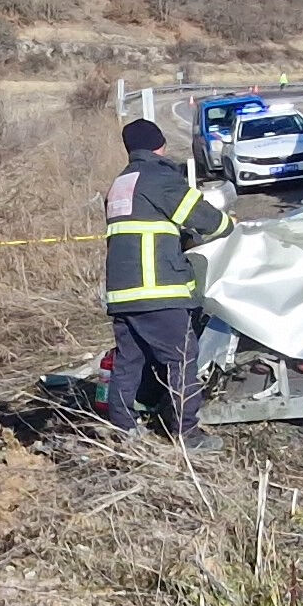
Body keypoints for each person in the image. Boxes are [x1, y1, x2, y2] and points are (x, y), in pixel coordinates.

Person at [100, 115, 231, 448]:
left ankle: (122, 429)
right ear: (160, 145)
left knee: (129, 361)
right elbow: (205, 219)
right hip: (157, 290)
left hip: (123, 293)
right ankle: (187, 434)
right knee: (182, 357)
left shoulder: (121, 183)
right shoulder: (158, 177)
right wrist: (229, 226)